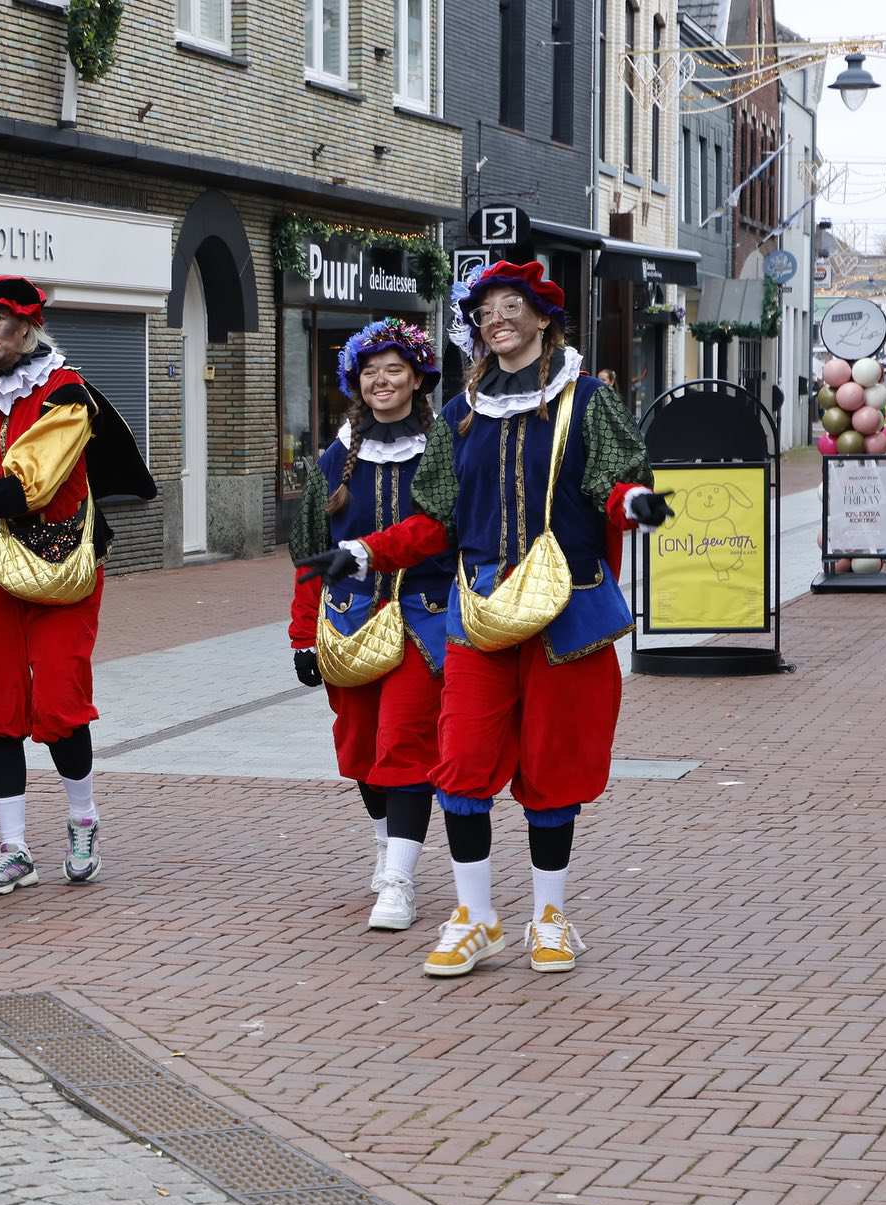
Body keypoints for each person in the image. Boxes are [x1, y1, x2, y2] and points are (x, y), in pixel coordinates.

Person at [301, 260, 672, 977]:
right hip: (477, 611)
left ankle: (550, 918)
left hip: (568, 613)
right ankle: (475, 917)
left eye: (510, 306)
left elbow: (615, 482)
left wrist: (634, 504)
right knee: (461, 765)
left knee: (553, 768)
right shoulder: (458, 415)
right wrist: (366, 551)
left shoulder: (586, 400)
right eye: (485, 310)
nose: (496, 319)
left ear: (542, 317)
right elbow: (434, 521)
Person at [0, 274, 154, 895]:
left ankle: (83, 820)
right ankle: (13, 848)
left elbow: (32, 485)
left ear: (27, 326)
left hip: (60, 566)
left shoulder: (64, 394)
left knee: (58, 700)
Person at [287, 319, 452, 931]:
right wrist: (302, 636)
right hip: (349, 622)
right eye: (370, 372)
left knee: (405, 744)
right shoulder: (335, 459)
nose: (381, 381)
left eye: (394, 370)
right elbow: (310, 553)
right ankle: (386, 847)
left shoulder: (442, 452)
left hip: (423, 621)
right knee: (359, 747)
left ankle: (399, 879)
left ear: (417, 378)